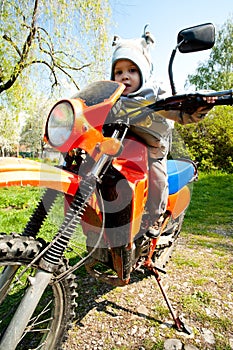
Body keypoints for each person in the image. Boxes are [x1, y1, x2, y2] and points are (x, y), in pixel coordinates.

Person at [109, 26, 215, 237]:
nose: (124, 77)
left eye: (132, 70)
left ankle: (154, 215)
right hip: (119, 147)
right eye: (118, 72)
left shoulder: (154, 94)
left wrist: (199, 106)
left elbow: (181, 114)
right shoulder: (112, 98)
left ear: (143, 72)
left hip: (152, 147)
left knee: (157, 177)